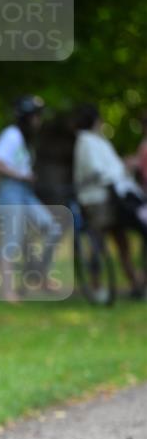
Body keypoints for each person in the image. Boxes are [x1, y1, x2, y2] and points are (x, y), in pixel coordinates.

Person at [0, 95, 62, 302]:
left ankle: (41, 275)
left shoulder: (22, 138)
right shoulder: (11, 135)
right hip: (10, 192)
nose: (39, 121)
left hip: (24, 192)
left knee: (51, 228)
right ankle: (7, 292)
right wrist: (21, 175)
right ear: (28, 117)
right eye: (37, 116)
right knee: (11, 240)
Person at [73, 104, 147, 299]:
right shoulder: (86, 141)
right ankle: (96, 286)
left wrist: (123, 167)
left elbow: (110, 167)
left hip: (112, 198)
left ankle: (136, 284)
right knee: (98, 243)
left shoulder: (98, 141)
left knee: (121, 242)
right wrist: (123, 167)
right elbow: (98, 170)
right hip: (97, 200)